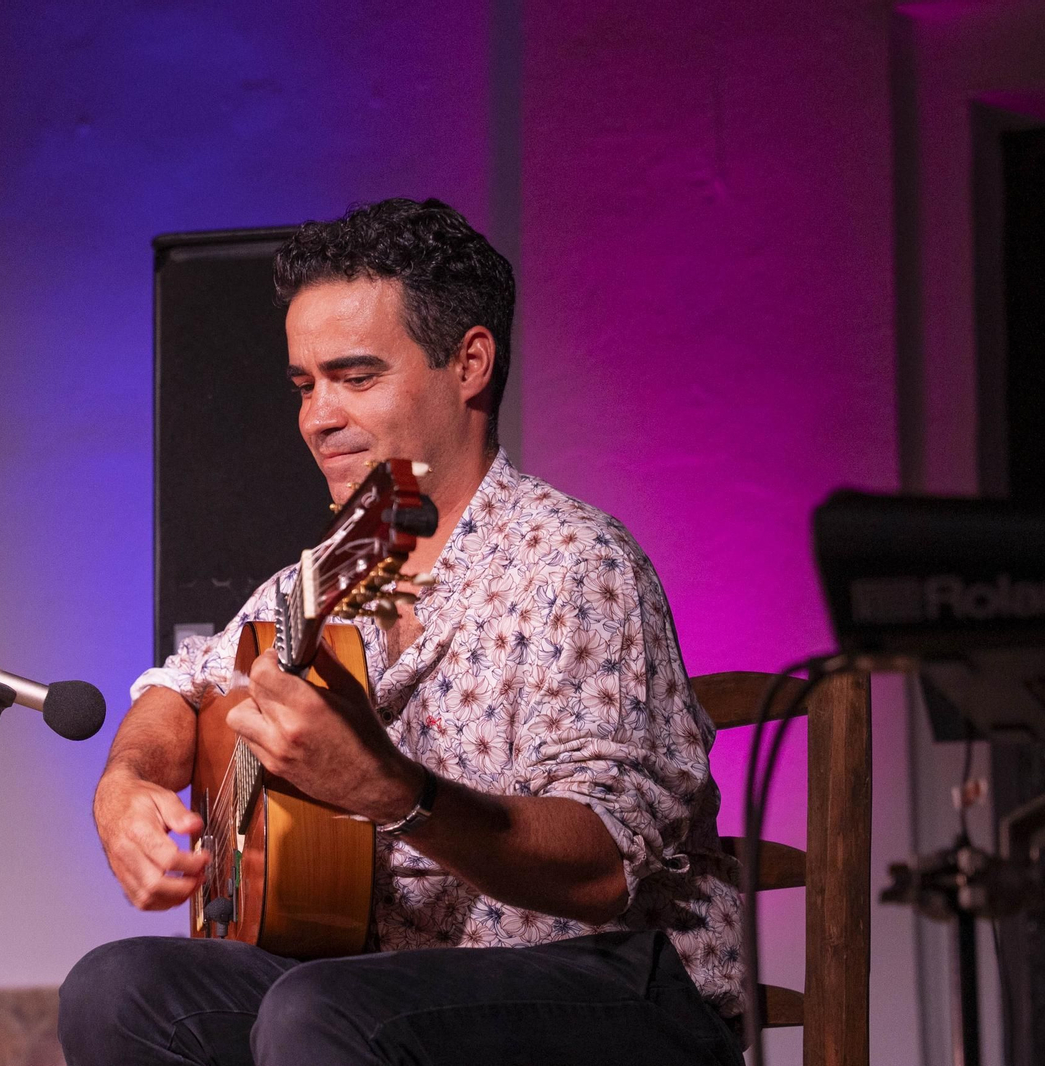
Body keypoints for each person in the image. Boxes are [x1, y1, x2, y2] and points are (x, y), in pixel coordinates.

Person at [58, 198, 745, 1065]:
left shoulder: (574, 562)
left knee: (319, 1012)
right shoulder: (331, 576)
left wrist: (394, 793)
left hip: (608, 990)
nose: (317, 417)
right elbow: (184, 684)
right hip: (388, 986)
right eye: (306, 385)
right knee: (118, 992)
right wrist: (123, 787)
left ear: (469, 363)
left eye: (355, 377)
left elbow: (603, 867)